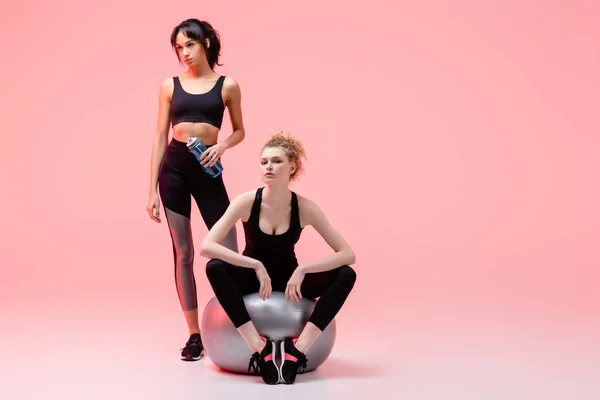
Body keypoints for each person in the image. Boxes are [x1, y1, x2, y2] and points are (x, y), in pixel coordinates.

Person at [200, 132, 357, 384]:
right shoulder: (246, 201)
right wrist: (254, 264)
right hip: (252, 279)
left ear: (292, 166)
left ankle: (298, 351)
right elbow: (206, 246)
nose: (268, 167)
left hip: (288, 281)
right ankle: (259, 349)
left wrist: (303, 269)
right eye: (263, 162)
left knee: (346, 274)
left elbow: (348, 254)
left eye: (276, 161)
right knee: (215, 267)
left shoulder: (305, 208)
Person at [146, 18, 245, 361]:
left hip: (208, 170)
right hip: (173, 169)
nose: (184, 53)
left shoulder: (227, 85)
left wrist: (223, 146)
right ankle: (194, 336)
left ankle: (239, 324)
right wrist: (150, 190)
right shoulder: (169, 86)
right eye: (178, 47)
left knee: (229, 248)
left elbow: (240, 131)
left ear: (205, 43)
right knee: (184, 252)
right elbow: (160, 136)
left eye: (189, 44)